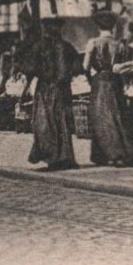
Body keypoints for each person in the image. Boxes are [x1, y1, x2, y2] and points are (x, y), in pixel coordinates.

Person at [84, 11, 133, 166]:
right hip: (115, 81)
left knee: (100, 116)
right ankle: (124, 150)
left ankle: (106, 154)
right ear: (113, 26)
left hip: (99, 81)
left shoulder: (93, 42)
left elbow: (85, 67)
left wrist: (91, 80)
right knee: (118, 115)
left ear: (97, 26)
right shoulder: (120, 44)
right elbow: (123, 67)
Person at [27, 17, 79, 171]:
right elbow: (77, 67)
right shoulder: (67, 46)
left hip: (45, 89)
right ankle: (65, 157)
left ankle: (53, 158)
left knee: (45, 123)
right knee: (63, 121)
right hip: (63, 89)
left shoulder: (40, 47)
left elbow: (29, 68)